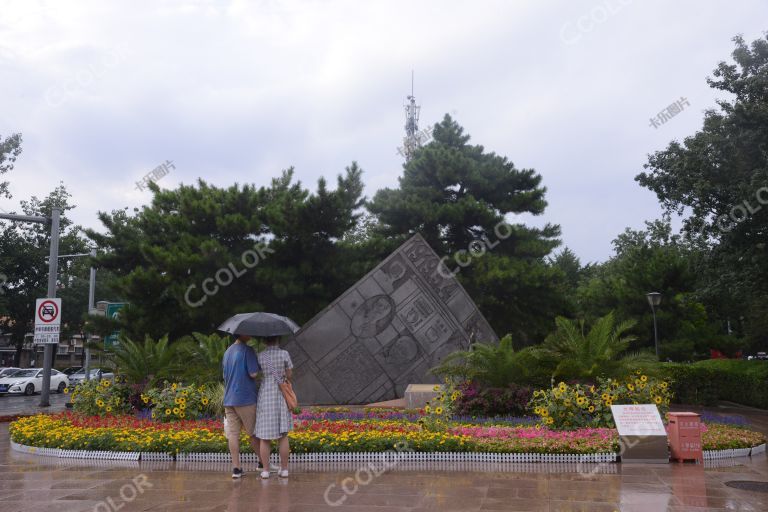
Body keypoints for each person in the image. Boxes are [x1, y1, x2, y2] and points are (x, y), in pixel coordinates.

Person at [222, 334, 261, 479]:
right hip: (245, 398)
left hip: (229, 398)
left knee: (233, 434)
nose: (251, 335)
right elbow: (253, 373)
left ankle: (236, 469)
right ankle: (263, 463)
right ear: (242, 334)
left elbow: (225, 375)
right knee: (253, 433)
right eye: (248, 332)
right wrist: (256, 362)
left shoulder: (227, 352)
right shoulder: (247, 350)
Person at [255, 336, 293, 479]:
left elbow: (257, 374)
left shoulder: (261, 356)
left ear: (264, 340)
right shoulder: (284, 354)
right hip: (281, 396)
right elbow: (289, 374)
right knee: (283, 435)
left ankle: (265, 470)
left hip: (266, 396)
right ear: (278, 339)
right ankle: (284, 470)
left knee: (264, 437)